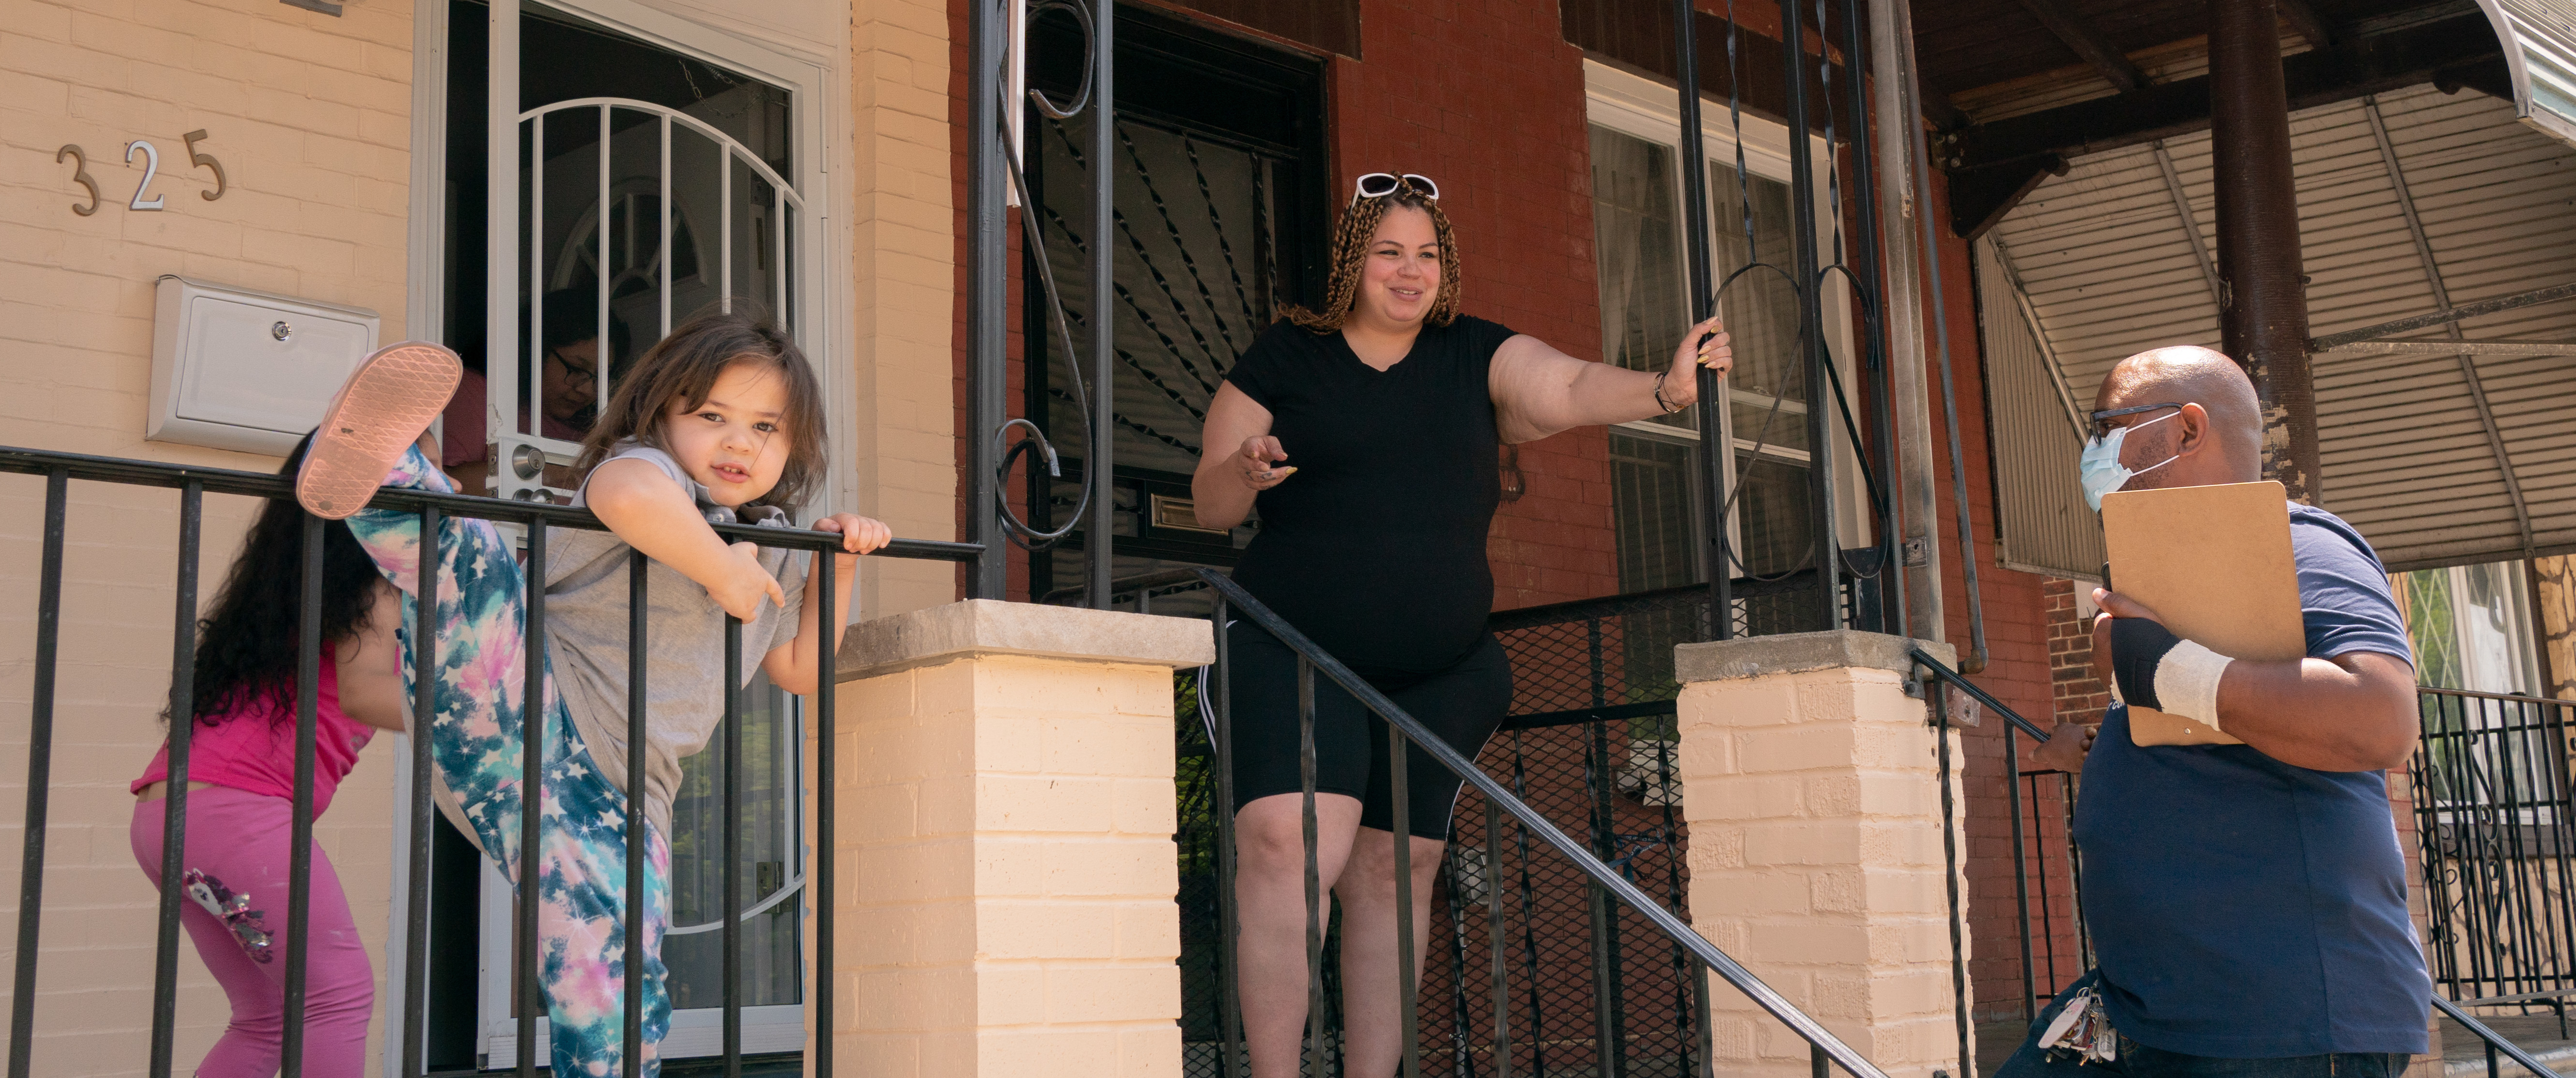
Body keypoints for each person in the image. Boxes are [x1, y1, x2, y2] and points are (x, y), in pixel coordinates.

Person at [1190, 172, 1734, 1078]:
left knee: (1392, 875)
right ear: (1351, 264)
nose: (1410, 272)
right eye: (1389, 253)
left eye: (1428, 255)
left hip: (1441, 671)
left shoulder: (1475, 354)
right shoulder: (1287, 359)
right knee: (1289, 845)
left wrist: (1664, 391)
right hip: (1289, 650)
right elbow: (1209, 500)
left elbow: (1563, 384)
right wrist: (1244, 468)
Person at [293, 310, 892, 1077]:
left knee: (615, 993)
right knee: (470, 568)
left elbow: (801, 670)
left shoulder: (778, 543)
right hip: (535, 705)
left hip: (627, 791)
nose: (740, 442)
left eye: (767, 427)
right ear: (659, 416)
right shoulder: (651, 474)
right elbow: (623, 492)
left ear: (796, 444)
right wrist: (720, 568)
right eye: (712, 417)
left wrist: (839, 566)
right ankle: (395, 480)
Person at [2011, 346, 2426, 1077]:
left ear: (2187, 429)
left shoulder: (2301, 544)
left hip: (2277, 1024)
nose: (2092, 450)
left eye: (2107, 426)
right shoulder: (2165, 575)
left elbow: (2380, 720)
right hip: (2142, 1007)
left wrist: (2167, 670)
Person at [129, 433, 415, 1078]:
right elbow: (368, 694)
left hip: (173, 816)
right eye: (420, 468)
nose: (441, 484)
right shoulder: (369, 576)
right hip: (235, 813)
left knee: (269, 1020)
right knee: (336, 1001)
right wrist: (491, 718)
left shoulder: (300, 571)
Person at [440, 287, 635, 494]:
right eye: (576, 369)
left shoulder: (596, 426)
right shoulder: (477, 394)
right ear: (533, 352)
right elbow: (449, 482)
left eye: (601, 378)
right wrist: (567, 471)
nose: (587, 390)